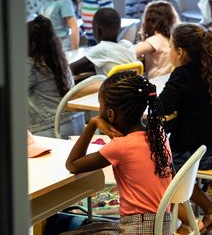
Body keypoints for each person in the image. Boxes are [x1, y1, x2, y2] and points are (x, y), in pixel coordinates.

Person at [66, 71, 173, 234]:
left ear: (110, 114)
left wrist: (93, 123)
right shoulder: (159, 134)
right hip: (162, 226)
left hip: (137, 229)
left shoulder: (121, 146)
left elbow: (72, 164)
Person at [159, 23, 212, 234]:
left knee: (160, 168)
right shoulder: (211, 71)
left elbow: (162, 106)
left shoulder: (181, 75)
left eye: (171, 48)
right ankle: (210, 210)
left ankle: (190, 223)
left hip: (198, 153)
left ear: (180, 52)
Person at [27, 15, 85, 139]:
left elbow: (12, 94)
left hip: (53, 127)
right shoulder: (59, 59)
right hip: (77, 122)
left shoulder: (31, 64)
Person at [70, 8, 136, 76]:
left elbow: (72, 68)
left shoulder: (102, 48)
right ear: (119, 29)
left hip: (112, 86)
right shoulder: (128, 45)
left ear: (97, 31)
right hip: (133, 85)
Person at [135, 0, 179, 80]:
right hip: (168, 80)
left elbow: (132, 52)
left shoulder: (155, 40)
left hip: (156, 83)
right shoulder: (172, 39)